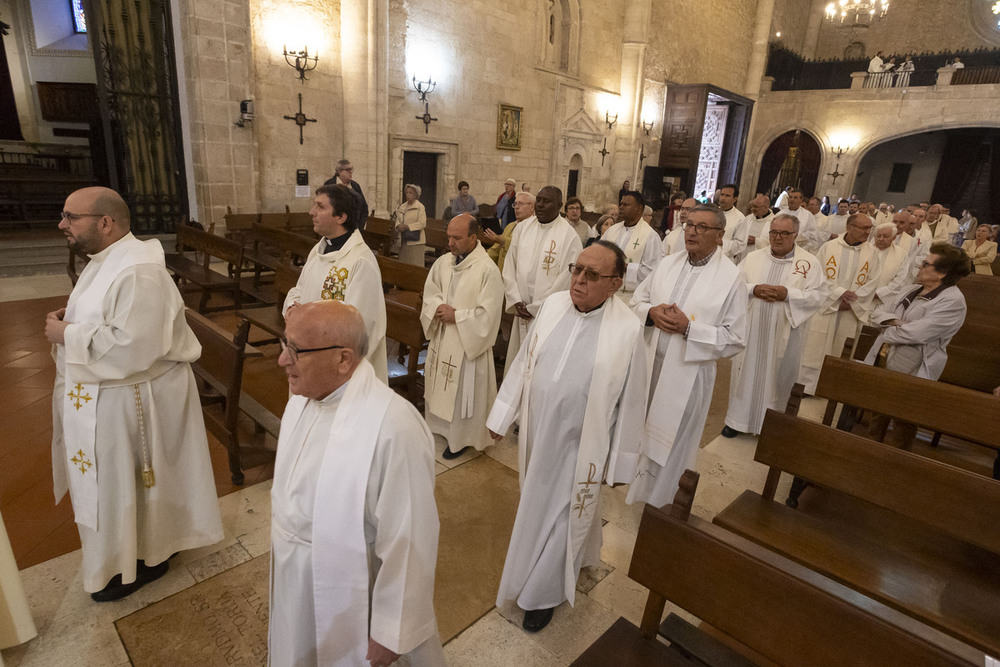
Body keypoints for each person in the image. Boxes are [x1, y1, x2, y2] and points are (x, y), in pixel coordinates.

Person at [45, 186, 223, 601]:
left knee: (130, 486)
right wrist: (72, 315)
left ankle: (144, 558)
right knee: (122, 487)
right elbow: (111, 316)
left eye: (71, 217)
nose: (62, 224)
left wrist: (68, 333)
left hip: (134, 397)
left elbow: (134, 346)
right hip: (115, 395)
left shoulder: (137, 270)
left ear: (105, 223)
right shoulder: (106, 260)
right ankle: (123, 558)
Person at [269, 301, 444, 667]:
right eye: (284, 344)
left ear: (344, 359)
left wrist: (390, 631)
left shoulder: (394, 428)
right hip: (293, 583)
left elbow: (409, 539)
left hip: (351, 595)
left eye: (295, 350)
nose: (282, 360)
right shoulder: (303, 398)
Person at [486, 241, 648, 633]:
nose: (579, 279)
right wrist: (502, 414)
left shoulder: (626, 330)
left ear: (615, 284)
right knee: (540, 504)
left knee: (563, 511)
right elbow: (525, 360)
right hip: (538, 433)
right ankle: (583, 553)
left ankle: (541, 595)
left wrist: (623, 461)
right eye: (577, 269)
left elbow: (632, 401)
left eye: (592, 275)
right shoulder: (555, 306)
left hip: (581, 444)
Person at [626, 204, 747, 508]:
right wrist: (651, 313)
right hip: (652, 361)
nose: (692, 231)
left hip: (689, 373)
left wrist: (690, 329)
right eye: (689, 224)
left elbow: (735, 338)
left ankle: (664, 502)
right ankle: (638, 487)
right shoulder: (667, 264)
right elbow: (637, 302)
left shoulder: (731, 278)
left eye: (702, 227)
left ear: (720, 235)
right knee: (643, 425)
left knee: (675, 439)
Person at [722, 214, 824, 437]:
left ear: (795, 235)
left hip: (785, 333)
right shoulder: (753, 258)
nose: (777, 238)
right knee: (744, 375)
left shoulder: (809, 262)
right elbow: (733, 286)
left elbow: (818, 296)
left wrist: (789, 294)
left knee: (779, 377)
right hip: (752, 329)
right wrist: (753, 290)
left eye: (784, 233)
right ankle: (736, 421)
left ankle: (772, 426)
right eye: (773, 232)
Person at [863, 245, 970, 447]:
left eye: (925, 264)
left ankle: (896, 465)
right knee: (877, 411)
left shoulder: (953, 301)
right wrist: (895, 323)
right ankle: (869, 452)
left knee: (904, 420)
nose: (919, 267)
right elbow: (877, 313)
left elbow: (919, 333)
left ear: (941, 273)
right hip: (886, 356)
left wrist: (888, 327)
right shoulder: (912, 289)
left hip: (916, 365)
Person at [285, 183, 388, 382]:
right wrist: (291, 308)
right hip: (308, 354)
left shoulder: (360, 261)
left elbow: (360, 326)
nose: (311, 212)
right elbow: (298, 290)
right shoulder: (318, 250)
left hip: (337, 371)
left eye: (320, 207)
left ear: (341, 217)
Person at [421, 214, 504, 460]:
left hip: (468, 345)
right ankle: (438, 429)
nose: (450, 243)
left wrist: (458, 316)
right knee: (440, 385)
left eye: (456, 238)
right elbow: (431, 291)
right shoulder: (444, 263)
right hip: (443, 339)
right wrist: (436, 306)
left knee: (460, 394)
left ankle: (460, 439)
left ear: (473, 238)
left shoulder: (487, 270)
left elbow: (489, 316)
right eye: (448, 237)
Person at [501, 185, 583, 376]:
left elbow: (567, 278)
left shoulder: (569, 236)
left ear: (559, 205)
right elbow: (509, 265)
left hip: (547, 313)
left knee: (539, 368)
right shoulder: (522, 228)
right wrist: (515, 300)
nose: (540, 205)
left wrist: (537, 307)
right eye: (539, 200)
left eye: (547, 201)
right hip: (520, 309)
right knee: (517, 365)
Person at [796, 213, 878, 395]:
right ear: (849, 227)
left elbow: (873, 281)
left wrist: (852, 301)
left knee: (842, 348)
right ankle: (808, 387)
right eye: (863, 228)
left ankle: (831, 389)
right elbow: (818, 276)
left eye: (869, 228)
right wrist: (838, 295)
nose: (867, 232)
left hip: (852, 309)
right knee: (815, 347)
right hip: (826, 308)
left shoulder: (872, 253)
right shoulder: (828, 247)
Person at [601, 190, 661, 301]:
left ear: (639, 208)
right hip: (605, 293)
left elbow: (652, 272)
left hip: (631, 298)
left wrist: (626, 267)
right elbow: (598, 253)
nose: (621, 207)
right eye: (621, 204)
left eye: (626, 205)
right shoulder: (612, 230)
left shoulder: (651, 236)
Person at [871, 222, 916, 310]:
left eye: (885, 236)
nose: (881, 239)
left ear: (893, 238)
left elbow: (900, 280)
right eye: (878, 236)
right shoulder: (865, 250)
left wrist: (878, 294)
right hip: (860, 297)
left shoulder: (901, 254)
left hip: (882, 301)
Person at [486, 191, 534, 272]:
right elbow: (495, 251)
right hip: (502, 274)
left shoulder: (535, 228)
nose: (516, 207)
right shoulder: (510, 226)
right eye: (515, 204)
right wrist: (481, 260)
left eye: (521, 204)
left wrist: (503, 241)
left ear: (532, 207)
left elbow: (523, 248)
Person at [323, 159, 369, 231]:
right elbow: (325, 207)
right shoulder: (329, 185)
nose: (351, 172)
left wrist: (360, 226)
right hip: (335, 228)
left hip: (354, 228)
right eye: (348, 170)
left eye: (351, 169)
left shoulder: (355, 186)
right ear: (339, 171)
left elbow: (364, 207)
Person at [778, 188, 824, 253]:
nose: (792, 200)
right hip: (780, 249)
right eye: (790, 197)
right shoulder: (780, 214)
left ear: (801, 200)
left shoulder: (808, 215)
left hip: (800, 250)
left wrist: (798, 240)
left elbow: (812, 236)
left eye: (795, 198)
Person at [394, 183, 428, 266]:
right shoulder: (403, 206)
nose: (408, 195)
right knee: (404, 264)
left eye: (411, 193)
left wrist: (408, 226)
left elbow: (422, 223)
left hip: (416, 242)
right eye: (407, 193)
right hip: (404, 239)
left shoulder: (420, 207)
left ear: (416, 195)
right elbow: (398, 219)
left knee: (415, 264)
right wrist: (398, 226)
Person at [737, 193, 775, 263]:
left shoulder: (774, 222)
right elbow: (738, 236)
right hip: (743, 257)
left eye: (756, 207)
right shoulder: (748, 219)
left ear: (765, 207)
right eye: (752, 206)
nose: (752, 209)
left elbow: (775, 243)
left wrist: (756, 241)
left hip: (761, 261)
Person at [718, 183, 750, 263]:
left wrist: (718, 244)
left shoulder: (740, 218)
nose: (723, 198)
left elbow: (740, 244)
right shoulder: (712, 213)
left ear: (735, 199)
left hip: (725, 260)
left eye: (727, 196)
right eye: (722, 195)